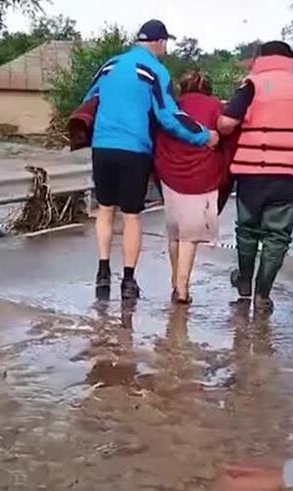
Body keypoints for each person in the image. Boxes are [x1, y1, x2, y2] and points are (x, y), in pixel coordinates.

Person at [83, 19, 220, 300]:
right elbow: (168, 116)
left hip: (103, 147)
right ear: (158, 42)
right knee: (132, 215)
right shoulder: (155, 70)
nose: (165, 48)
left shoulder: (109, 65)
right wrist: (204, 136)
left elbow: (89, 101)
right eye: (165, 43)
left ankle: (102, 273)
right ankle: (128, 281)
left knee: (105, 210)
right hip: (134, 149)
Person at [217, 41, 293, 313]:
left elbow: (227, 124)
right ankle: (263, 294)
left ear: (262, 59)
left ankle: (245, 284)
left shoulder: (253, 85)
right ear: (290, 60)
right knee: (277, 237)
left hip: (252, 172)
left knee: (247, 231)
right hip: (288, 174)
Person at [154, 72, 234, 304]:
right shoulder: (216, 106)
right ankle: (182, 288)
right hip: (202, 175)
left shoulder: (172, 106)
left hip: (169, 173)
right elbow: (226, 135)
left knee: (175, 230)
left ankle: (174, 280)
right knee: (189, 235)